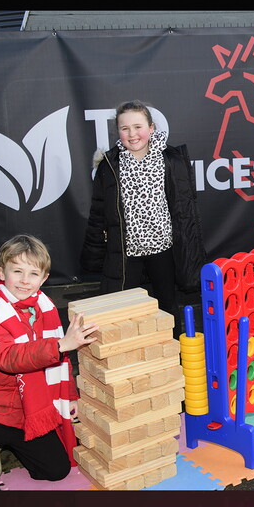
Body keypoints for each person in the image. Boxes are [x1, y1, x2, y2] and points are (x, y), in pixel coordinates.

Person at [0, 234, 99, 485]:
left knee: (56, 471)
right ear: (1, 272)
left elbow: (62, 362)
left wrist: (70, 397)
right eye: (17, 271)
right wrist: (60, 345)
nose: (25, 280)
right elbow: (6, 357)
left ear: (44, 278)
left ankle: (11, 444)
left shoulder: (46, 307)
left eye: (33, 274)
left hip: (31, 410)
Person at [80, 100, 206, 337]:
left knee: (167, 305)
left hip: (163, 249)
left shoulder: (172, 160)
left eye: (138, 127)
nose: (132, 134)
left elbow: (186, 210)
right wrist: (93, 256)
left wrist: (189, 251)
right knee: (122, 310)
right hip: (126, 252)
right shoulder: (109, 165)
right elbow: (98, 213)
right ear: (118, 131)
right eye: (125, 128)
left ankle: (171, 349)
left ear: (151, 127)